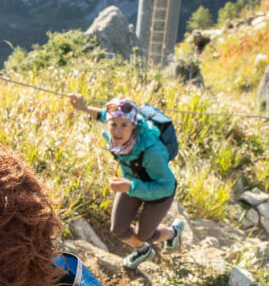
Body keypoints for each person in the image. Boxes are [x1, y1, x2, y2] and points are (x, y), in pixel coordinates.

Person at [68, 93, 183, 268]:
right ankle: (144, 251)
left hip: (159, 191)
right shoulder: (119, 132)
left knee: (144, 234)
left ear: (134, 125)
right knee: (118, 229)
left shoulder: (152, 151)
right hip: (132, 182)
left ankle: (173, 232)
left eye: (124, 125)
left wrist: (130, 186)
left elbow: (167, 187)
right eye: (113, 124)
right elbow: (104, 115)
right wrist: (84, 108)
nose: (117, 131)